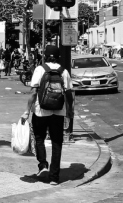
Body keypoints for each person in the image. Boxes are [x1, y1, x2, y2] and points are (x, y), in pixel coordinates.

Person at [21, 45, 74, 185]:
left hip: (40, 111)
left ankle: (43, 165)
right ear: (58, 57)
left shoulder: (40, 69)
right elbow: (69, 94)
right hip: (59, 111)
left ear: (45, 55)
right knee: (57, 143)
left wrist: (27, 111)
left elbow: (33, 92)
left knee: (39, 138)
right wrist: (69, 112)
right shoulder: (64, 72)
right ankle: (54, 178)